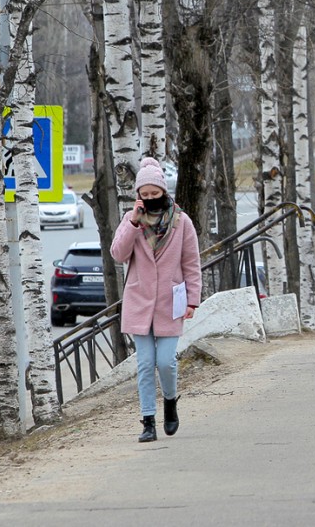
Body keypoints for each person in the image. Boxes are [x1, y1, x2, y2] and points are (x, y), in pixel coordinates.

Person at [110, 157, 202, 442]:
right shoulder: (130, 220)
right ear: (138, 196)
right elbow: (118, 254)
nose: (150, 199)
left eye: (155, 194)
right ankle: (148, 420)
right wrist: (134, 223)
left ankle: (171, 403)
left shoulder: (181, 221)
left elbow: (191, 263)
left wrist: (192, 300)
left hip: (170, 302)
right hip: (139, 302)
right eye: (144, 195)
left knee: (166, 362)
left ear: (164, 192)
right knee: (145, 363)